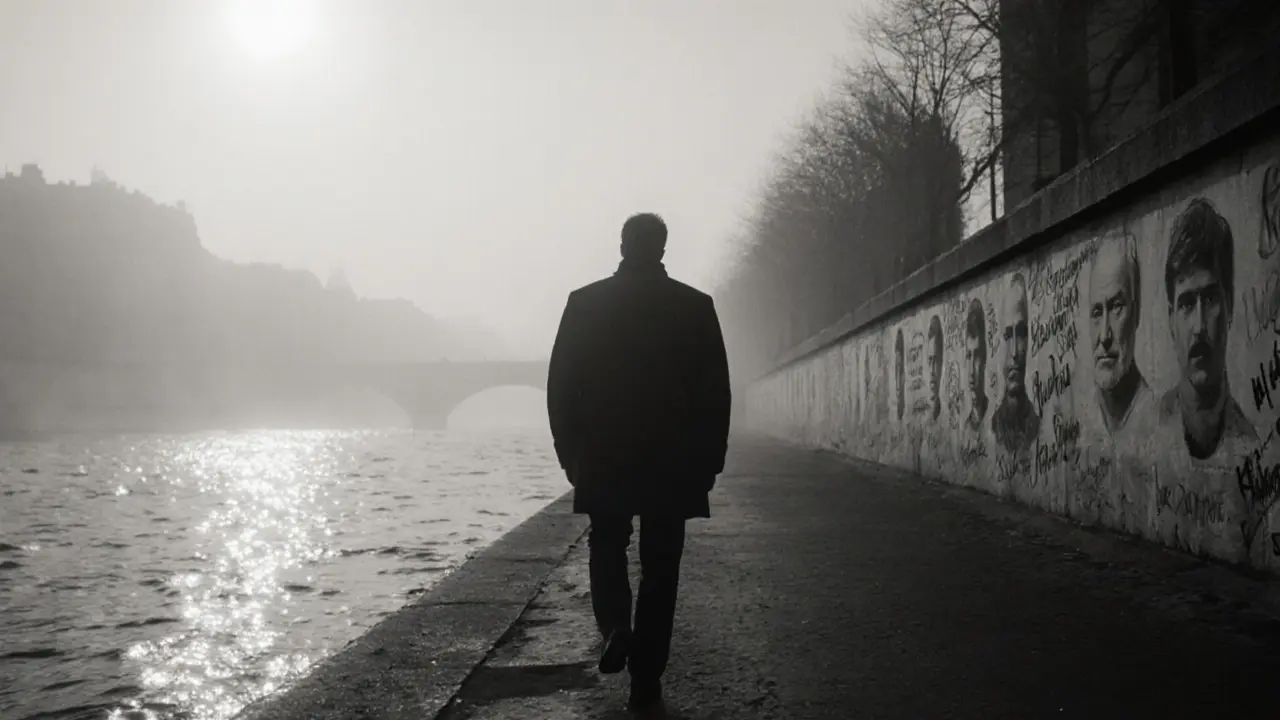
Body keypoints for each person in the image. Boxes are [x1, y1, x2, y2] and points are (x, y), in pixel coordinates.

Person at [546, 212, 732, 716]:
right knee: (661, 567)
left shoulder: (584, 303)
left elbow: (560, 388)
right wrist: (710, 460)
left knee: (607, 545)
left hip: (605, 454)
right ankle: (646, 681)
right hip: (673, 458)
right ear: (663, 249)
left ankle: (615, 628)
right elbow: (716, 394)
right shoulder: (695, 307)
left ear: (623, 244)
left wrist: (571, 455)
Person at [1088, 233, 1155, 443]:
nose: (1104, 336)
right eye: (1097, 313)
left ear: (1136, 313)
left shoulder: (1158, 423)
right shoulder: (1079, 425)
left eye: (1116, 307)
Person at [991, 272, 1040, 453]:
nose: (1014, 353)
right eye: (1007, 336)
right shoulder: (993, 425)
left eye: (1020, 334)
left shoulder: (1036, 424)